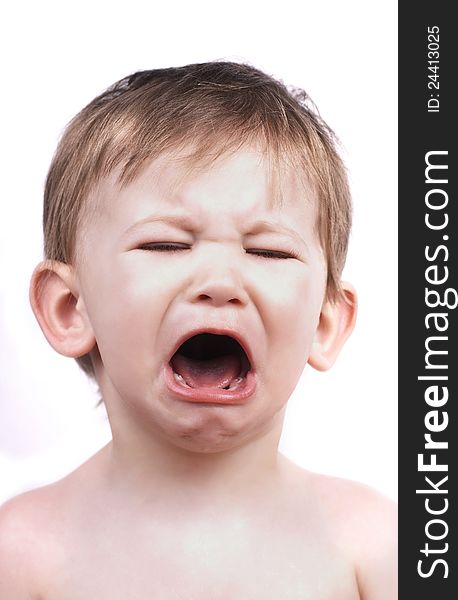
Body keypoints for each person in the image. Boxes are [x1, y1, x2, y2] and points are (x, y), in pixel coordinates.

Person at [0, 62, 396, 599]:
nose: (219, 281)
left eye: (267, 251)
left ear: (325, 324)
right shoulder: (22, 553)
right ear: (72, 309)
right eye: (165, 245)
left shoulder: (373, 546)